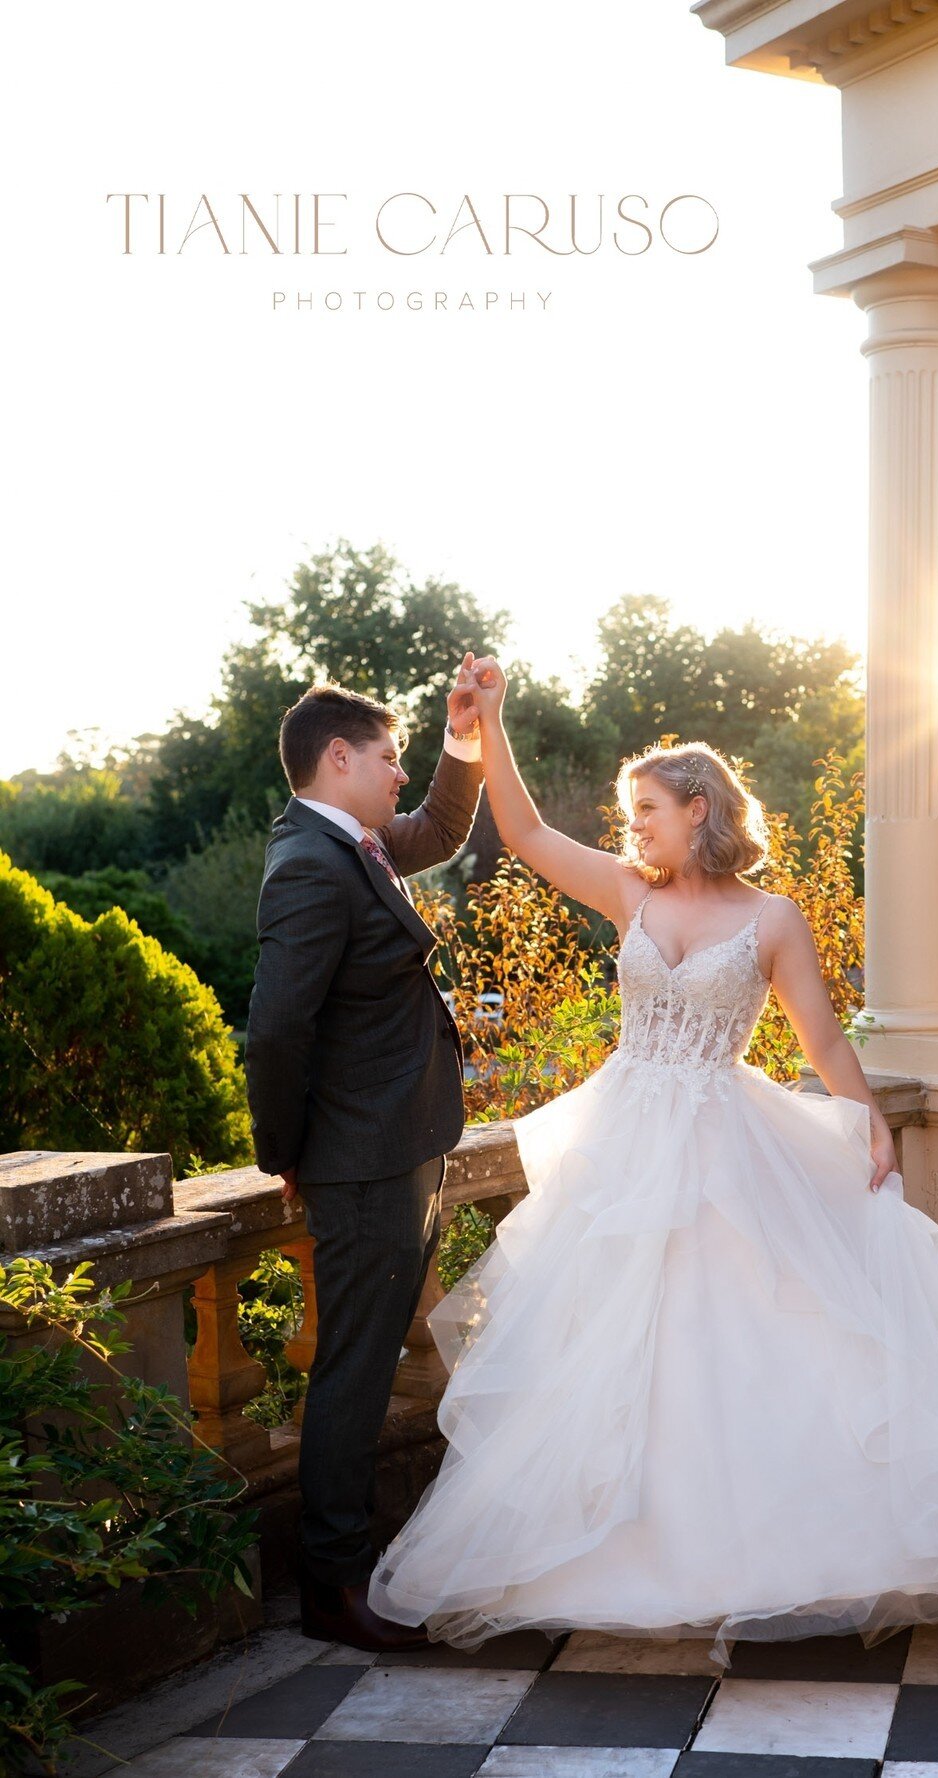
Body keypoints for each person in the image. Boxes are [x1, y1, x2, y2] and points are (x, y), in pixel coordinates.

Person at [368, 655, 938, 1667]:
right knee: (624, 1348)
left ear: (699, 808)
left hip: (726, 1144)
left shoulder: (773, 918)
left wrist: (868, 1118)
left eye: (646, 808)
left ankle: (768, 1555)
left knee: (747, 1337)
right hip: (627, 1145)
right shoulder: (628, 891)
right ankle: (627, 1549)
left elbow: (822, 1040)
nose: (634, 826)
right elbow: (519, 833)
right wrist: (490, 723)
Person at [246, 662, 486, 1653]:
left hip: (394, 1146)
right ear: (337, 758)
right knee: (353, 1369)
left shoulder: (352, 841)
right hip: (359, 1159)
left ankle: (344, 1573)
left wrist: (461, 739)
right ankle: (332, 1587)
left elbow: (435, 827)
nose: (398, 776)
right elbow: (274, 1032)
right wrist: (288, 1154)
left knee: (366, 1359)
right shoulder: (308, 860)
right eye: (388, 757)